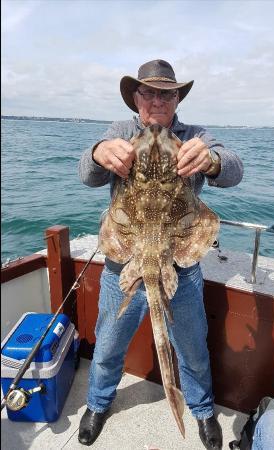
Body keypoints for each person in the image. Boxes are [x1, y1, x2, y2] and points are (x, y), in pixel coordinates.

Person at [78, 59, 244, 449]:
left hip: (179, 262)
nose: (156, 100)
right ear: (136, 98)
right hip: (125, 260)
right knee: (108, 342)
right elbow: (87, 174)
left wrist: (213, 160)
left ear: (176, 99)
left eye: (165, 93)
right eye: (148, 92)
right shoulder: (121, 131)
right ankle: (98, 403)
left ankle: (202, 411)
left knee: (192, 345)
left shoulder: (194, 135)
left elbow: (234, 168)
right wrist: (100, 151)